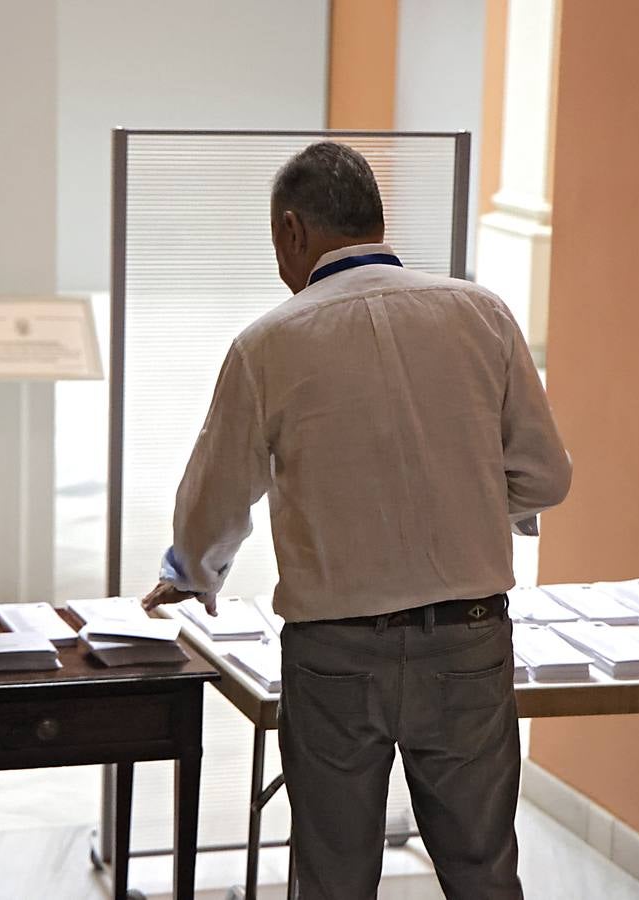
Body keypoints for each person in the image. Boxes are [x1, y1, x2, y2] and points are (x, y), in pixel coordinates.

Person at [142, 141, 571, 899]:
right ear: (376, 219)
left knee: (334, 878)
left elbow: (218, 494)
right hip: (468, 638)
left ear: (291, 230)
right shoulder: (481, 315)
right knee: (482, 870)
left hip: (336, 653)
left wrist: (190, 571)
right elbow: (545, 476)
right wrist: (463, 507)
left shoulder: (269, 343)